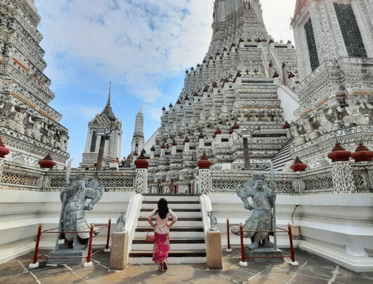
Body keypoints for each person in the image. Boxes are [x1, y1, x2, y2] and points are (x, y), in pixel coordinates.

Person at [147, 198, 178, 272]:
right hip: (165, 232)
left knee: (158, 248)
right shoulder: (168, 211)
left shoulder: (156, 211)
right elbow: (175, 218)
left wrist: (152, 224)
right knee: (164, 248)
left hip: (157, 232)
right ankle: (164, 261)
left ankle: (160, 265)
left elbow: (148, 217)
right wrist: (170, 225)